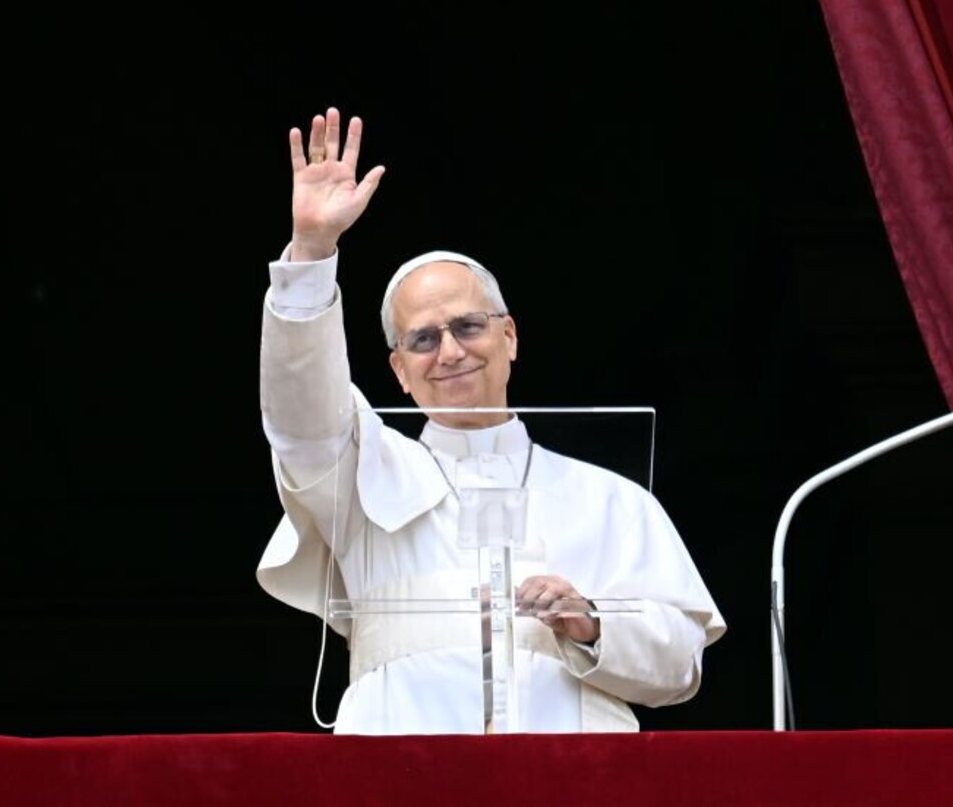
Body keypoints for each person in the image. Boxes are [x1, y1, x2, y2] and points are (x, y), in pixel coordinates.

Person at [256, 106, 726, 734]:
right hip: (401, 769)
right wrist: (312, 254)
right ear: (399, 370)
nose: (450, 352)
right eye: (423, 339)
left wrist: (590, 623)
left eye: (468, 327)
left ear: (510, 336)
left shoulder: (611, 500)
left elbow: (681, 665)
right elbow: (300, 412)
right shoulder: (360, 472)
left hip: (570, 773)